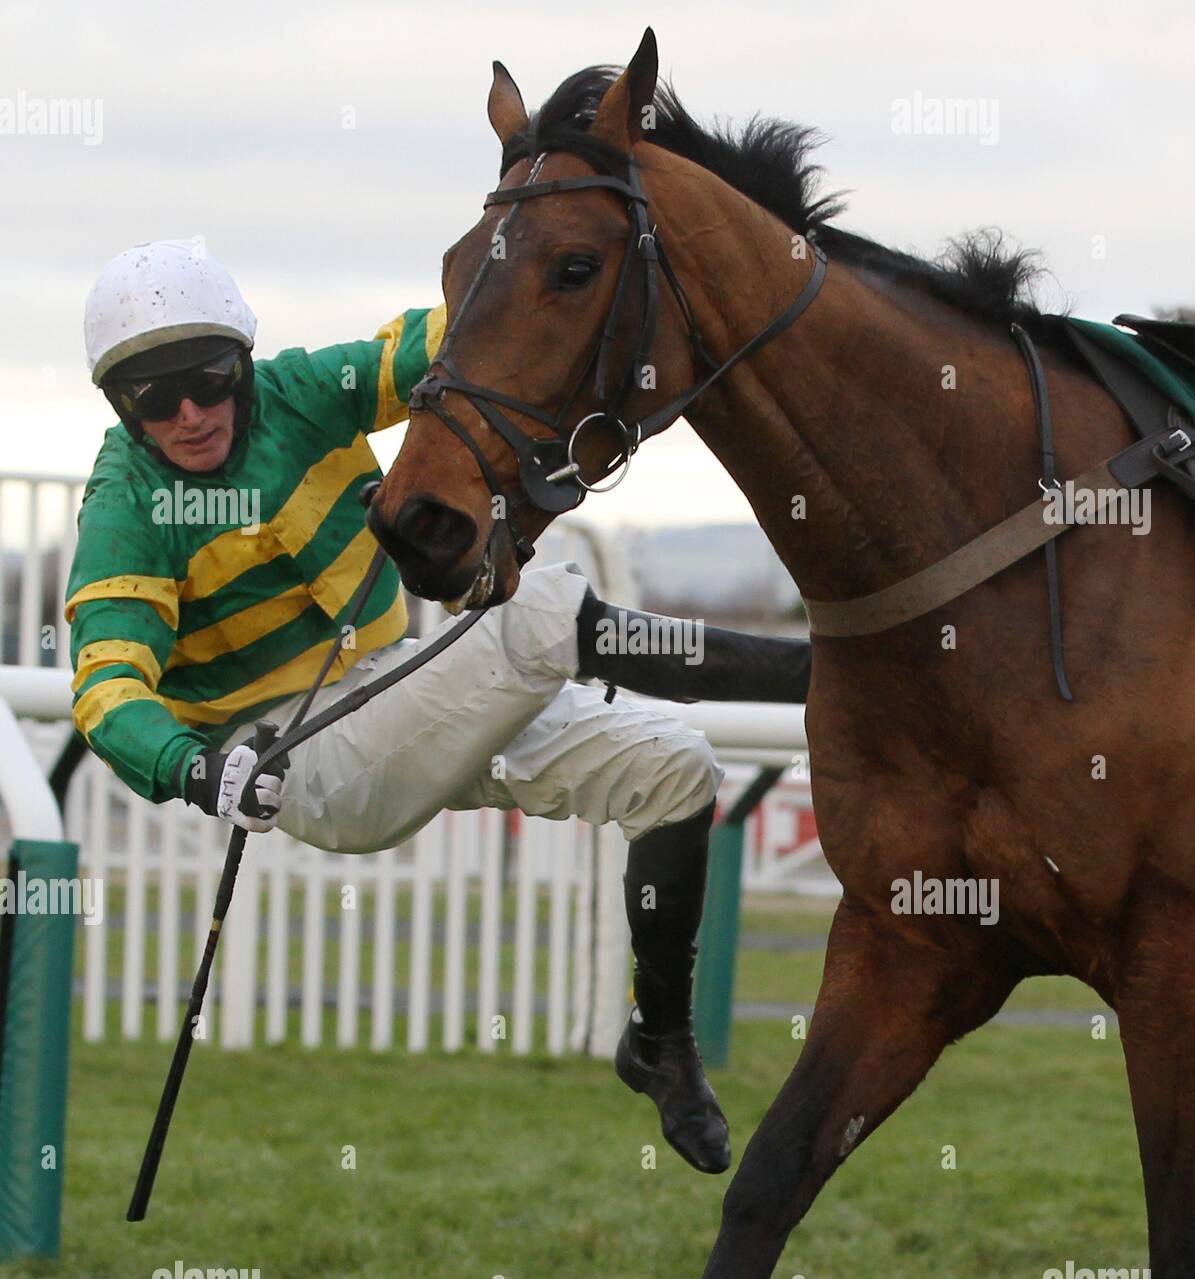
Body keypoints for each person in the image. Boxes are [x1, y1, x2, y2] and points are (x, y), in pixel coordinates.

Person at [69, 238, 811, 1174]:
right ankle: (832, 672)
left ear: (244, 362)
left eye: (209, 379)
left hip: (399, 685)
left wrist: (569, 263)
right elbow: (104, 690)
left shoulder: (303, 390)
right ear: (118, 406)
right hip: (292, 760)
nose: (188, 413)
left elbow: (461, 337)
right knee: (538, 612)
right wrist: (195, 768)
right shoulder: (124, 507)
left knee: (673, 770)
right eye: (152, 396)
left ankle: (658, 1038)